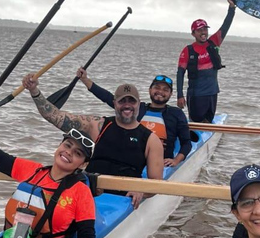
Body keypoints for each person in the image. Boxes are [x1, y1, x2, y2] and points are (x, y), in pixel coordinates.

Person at [0, 91, 96, 238]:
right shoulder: (32, 171)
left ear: (82, 165)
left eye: (77, 153)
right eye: (67, 145)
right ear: (59, 146)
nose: (68, 152)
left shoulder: (81, 192)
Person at [23, 74, 164, 209]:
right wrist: (34, 91)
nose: (127, 106)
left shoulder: (151, 140)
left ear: (139, 104)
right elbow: (55, 116)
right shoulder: (98, 125)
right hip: (89, 191)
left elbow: (156, 184)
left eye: (131, 101)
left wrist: (141, 192)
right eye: (122, 101)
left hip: (122, 199)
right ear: (115, 103)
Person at [76, 69, 192, 167]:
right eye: (157, 88)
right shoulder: (136, 108)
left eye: (165, 90)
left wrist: (176, 161)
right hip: (132, 159)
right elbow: (108, 97)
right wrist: (85, 80)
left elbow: (186, 142)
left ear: (171, 94)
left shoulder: (176, 114)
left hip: (159, 163)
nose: (160, 92)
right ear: (150, 90)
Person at [177, 0, 236, 123]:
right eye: (199, 30)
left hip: (212, 93)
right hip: (196, 95)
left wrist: (231, 8)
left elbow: (225, 26)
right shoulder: (188, 50)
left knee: (208, 121)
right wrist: (180, 96)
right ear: (193, 33)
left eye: (205, 29)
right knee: (197, 122)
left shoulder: (214, 42)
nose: (203, 32)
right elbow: (180, 74)